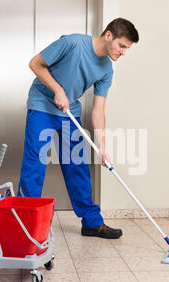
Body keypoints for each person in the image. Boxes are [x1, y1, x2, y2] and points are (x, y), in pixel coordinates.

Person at [18, 18, 139, 239]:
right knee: (35, 163)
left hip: (69, 111)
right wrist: (57, 89)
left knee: (77, 165)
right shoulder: (73, 43)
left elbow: (98, 110)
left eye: (126, 49)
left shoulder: (107, 70)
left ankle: (91, 223)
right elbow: (35, 63)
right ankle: (23, 223)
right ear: (109, 35)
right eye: (122, 46)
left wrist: (102, 147)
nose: (123, 53)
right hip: (42, 105)